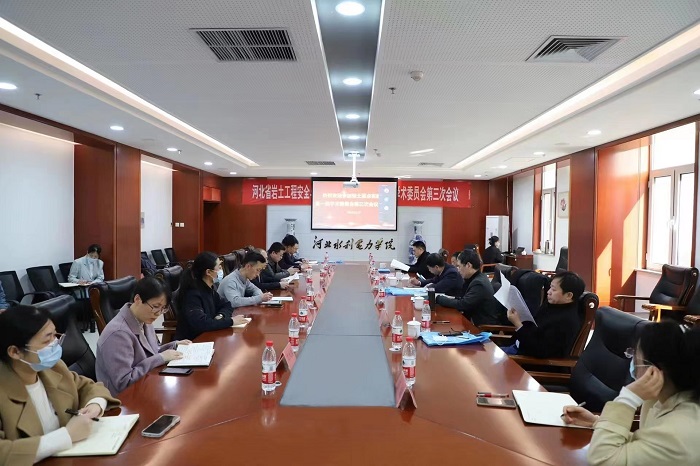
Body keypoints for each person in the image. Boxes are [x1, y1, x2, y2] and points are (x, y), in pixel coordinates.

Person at [563, 321, 700, 465]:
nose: (633, 363)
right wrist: (597, 422)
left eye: (635, 357)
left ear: (653, 371)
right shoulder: (670, 401)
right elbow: (648, 447)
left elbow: (602, 460)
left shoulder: (679, 432)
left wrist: (628, 398)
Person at [0, 306, 120, 464]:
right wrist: (66, 436)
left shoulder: (53, 368)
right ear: (15, 352)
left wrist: (95, 405)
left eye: (55, 335)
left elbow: (90, 387)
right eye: (46, 340)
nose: (55, 344)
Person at [96, 277, 193, 396]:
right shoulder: (117, 334)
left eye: (163, 308)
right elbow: (124, 382)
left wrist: (174, 346)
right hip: (123, 399)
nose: (158, 313)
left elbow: (152, 351)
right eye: (156, 306)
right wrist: (161, 357)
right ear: (137, 299)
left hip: (147, 384)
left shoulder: (143, 319)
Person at [504, 271, 585, 358]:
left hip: (525, 358)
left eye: (554, 290)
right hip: (518, 347)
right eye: (550, 287)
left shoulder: (567, 321)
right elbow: (535, 330)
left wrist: (518, 324)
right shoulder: (553, 305)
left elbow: (540, 350)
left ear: (568, 295)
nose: (548, 292)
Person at [174, 252, 247, 341]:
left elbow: (227, 305)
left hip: (208, 335)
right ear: (208, 272)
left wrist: (220, 316)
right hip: (192, 341)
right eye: (219, 267)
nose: (221, 270)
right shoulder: (193, 294)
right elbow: (201, 324)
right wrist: (231, 321)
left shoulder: (209, 288)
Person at [436, 249, 508, 326]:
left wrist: (438, 298)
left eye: (459, 266)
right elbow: (464, 299)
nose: (458, 270)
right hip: (472, 321)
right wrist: (446, 297)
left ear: (468, 265)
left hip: (482, 327)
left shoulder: (479, 283)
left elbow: (463, 304)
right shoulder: (474, 278)